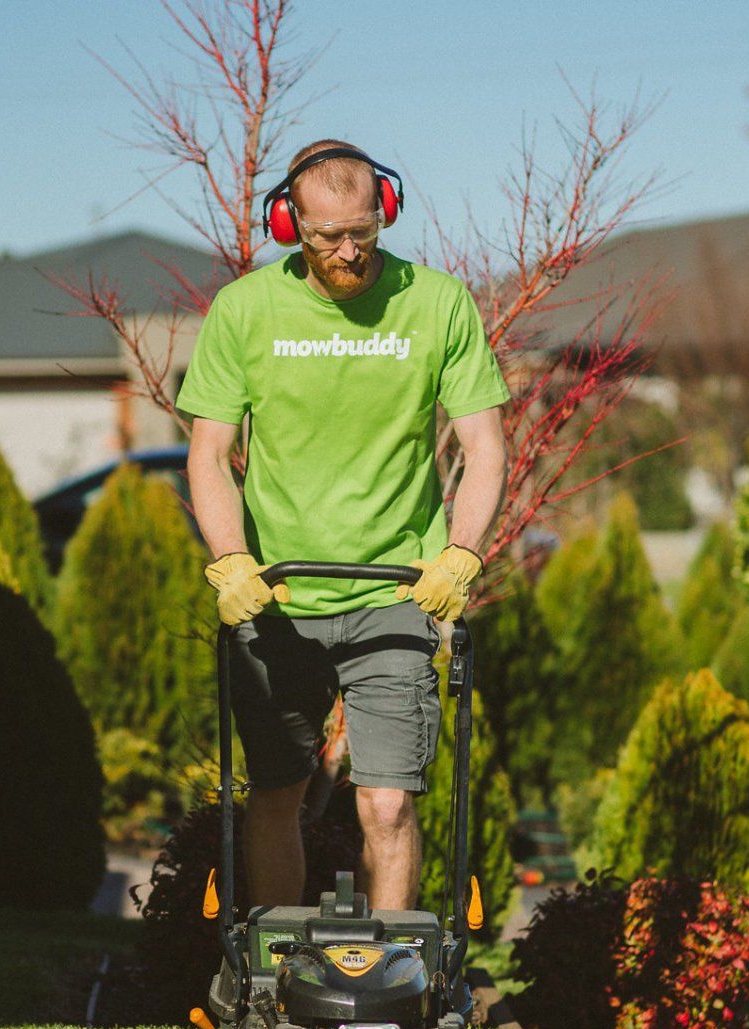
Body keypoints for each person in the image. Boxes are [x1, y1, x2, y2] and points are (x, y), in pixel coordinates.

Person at [179, 139, 509, 912]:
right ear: (289, 223)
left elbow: (484, 443)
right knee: (275, 794)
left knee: (389, 803)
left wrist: (461, 553)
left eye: (363, 231)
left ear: (384, 213)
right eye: (328, 236)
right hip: (278, 594)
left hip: (398, 589)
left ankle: (392, 984)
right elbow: (208, 453)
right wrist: (231, 562)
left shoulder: (437, 303)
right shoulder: (246, 310)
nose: (349, 251)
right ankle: (278, 972)